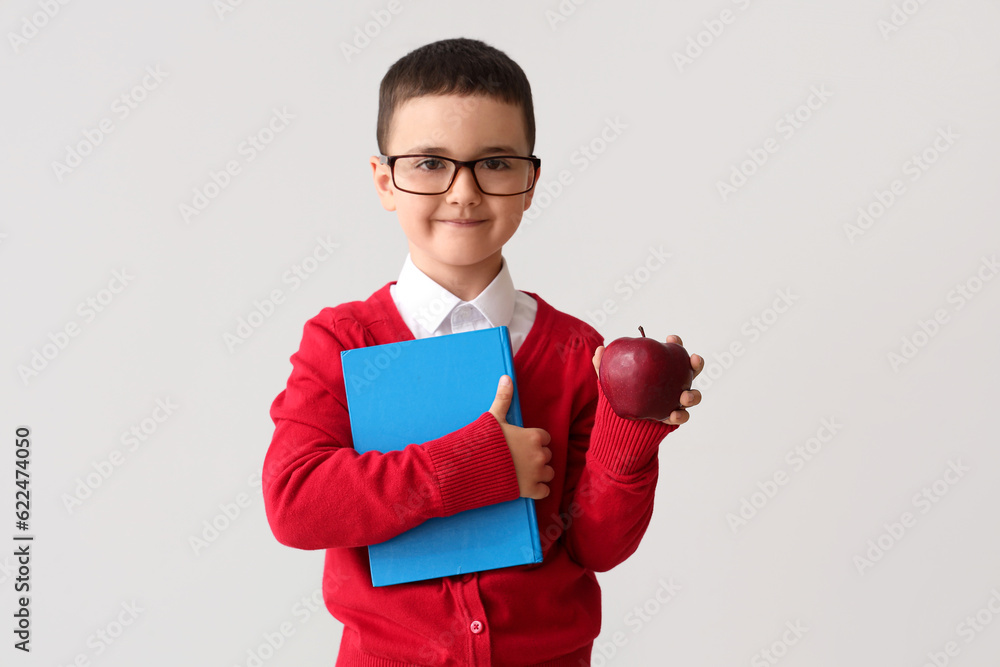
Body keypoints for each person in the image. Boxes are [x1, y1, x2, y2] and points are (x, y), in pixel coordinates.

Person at [262, 37, 703, 666]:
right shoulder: (342, 340)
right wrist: (478, 464)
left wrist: (628, 433)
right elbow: (296, 505)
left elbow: (597, 546)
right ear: (385, 181)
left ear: (530, 182)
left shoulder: (579, 351)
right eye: (428, 163)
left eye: (495, 163)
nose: (464, 192)